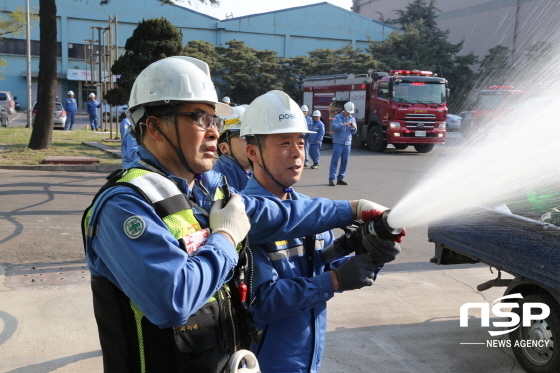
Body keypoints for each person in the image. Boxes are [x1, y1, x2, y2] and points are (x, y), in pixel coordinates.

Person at [82, 56, 386, 373]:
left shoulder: (203, 190)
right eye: (199, 118)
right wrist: (226, 237)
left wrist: (352, 210)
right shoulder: (125, 206)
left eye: (214, 120)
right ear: (155, 126)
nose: (214, 132)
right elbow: (173, 300)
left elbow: (275, 215)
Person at [239, 90, 403, 373]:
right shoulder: (245, 218)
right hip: (267, 364)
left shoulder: (310, 210)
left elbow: (320, 264)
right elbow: (262, 302)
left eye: (301, 143)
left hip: (309, 360)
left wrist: (370, 256)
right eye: (284, 142)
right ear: (252, 152)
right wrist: (335, 281)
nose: (297, 152)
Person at [213, 105, 252, 191]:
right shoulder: (216, 183)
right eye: (245, 136)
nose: (253, 143)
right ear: (224, 148)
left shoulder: (250, 176)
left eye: (255, 137)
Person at [329, 101, 357, 186]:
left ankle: (340, 178)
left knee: (344, 162)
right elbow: (334, 128)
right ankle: (331, 179)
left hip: (347, 143)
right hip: (338, 142)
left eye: (350, 112)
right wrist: (344, 124)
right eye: (348, 112)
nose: (349, 114)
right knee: (335, 161)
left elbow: (354, 132)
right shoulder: (338, 117)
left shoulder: (352, 118)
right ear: (344, 110)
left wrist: (353, 128)